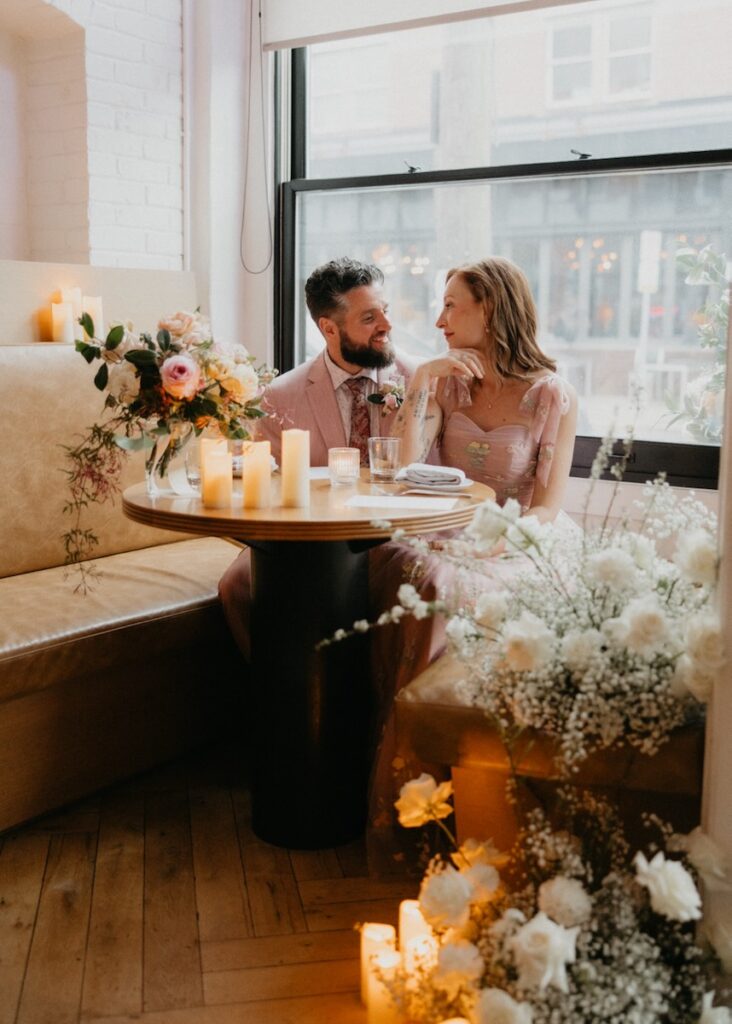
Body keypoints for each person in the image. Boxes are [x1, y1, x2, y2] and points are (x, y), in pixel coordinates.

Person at [367, 255, 578, 872]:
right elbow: (405, 471)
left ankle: (437, 777)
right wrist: (422, 383)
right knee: (400, 572)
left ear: (490, 309)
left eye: (452, 306)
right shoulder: (451, 382)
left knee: (435, 583)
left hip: (514, 540)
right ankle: (395, 758)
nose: (439, 320)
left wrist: (492, 539)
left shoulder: (551, 397)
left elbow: (547, 508)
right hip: (443, 532)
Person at [218, 257, 415, 657]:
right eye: (369, 318)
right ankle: (279, 695)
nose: (387, 326)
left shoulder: (418, 380)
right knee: (236, 585)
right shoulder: (281, 395)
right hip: (306, 536)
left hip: (399, 532)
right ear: (329, 328)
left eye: (386, 312)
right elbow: (266, 485)